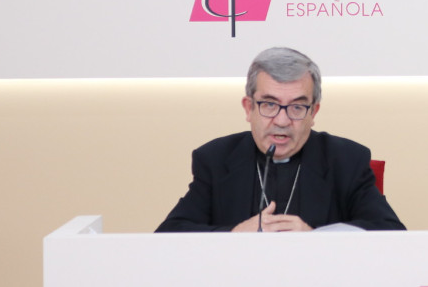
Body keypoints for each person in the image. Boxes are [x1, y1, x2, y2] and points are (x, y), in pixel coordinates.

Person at [156, 47, 404, 232]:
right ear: (248, 108)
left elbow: (391, 234)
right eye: (270, 105)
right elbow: (169, 235)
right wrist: (233, 235)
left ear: (313, 113)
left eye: (297, 108)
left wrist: (317, 239)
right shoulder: (216, 160)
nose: (282, 121)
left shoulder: (346, 160)